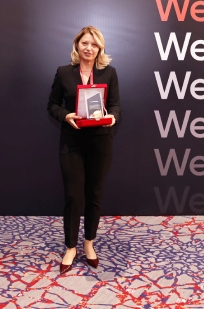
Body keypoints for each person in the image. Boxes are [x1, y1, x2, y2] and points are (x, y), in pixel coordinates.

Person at [47, 26, 121, 274]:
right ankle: (71, 246)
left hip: (101, 141)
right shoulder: (63, 72)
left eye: (94, 44)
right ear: (77, 46)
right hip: (72, 142)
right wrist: (66, 115)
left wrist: (112, 117)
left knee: (94, 194)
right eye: (85, 43)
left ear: (100, 48)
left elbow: (116, 105)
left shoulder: (109, 73)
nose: (89, 48)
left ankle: (89, 243)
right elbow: (52, 104)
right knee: (73, 195)